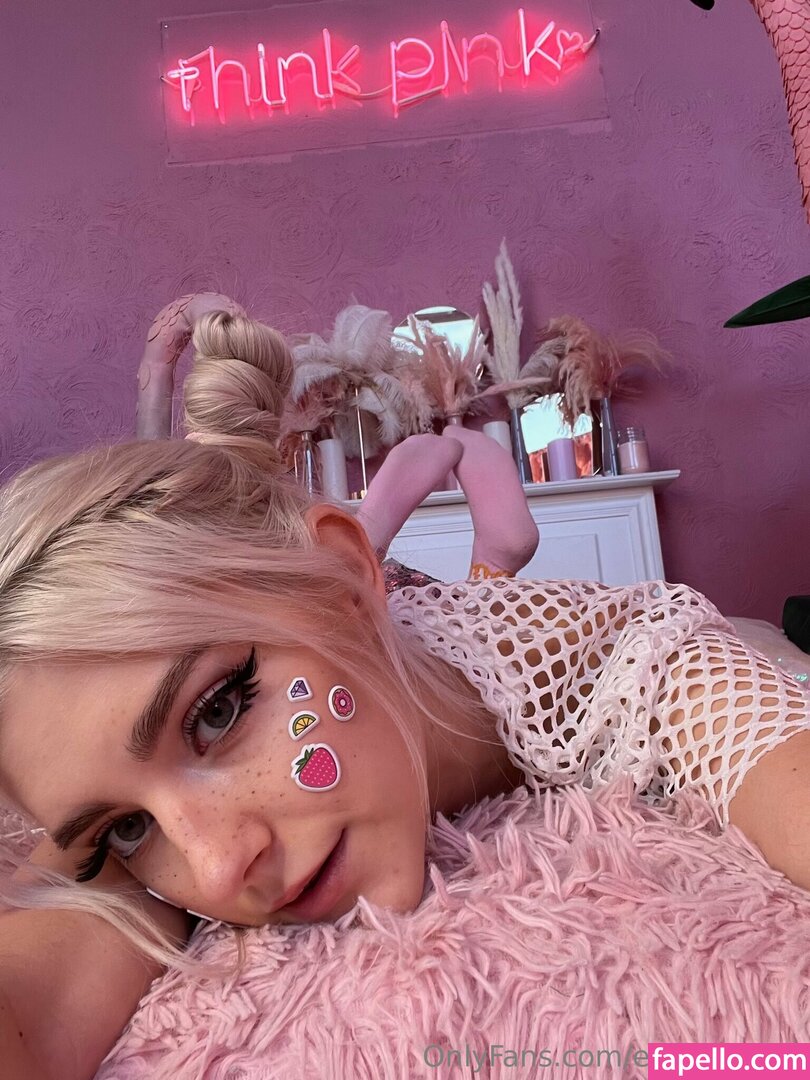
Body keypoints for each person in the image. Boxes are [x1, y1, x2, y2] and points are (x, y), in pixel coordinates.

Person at [1, 311, 809, 1080]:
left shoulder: (611, 657)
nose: (216, 871)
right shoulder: (138, 828)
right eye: (128, 828)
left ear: (345, 581)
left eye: (216, 712)